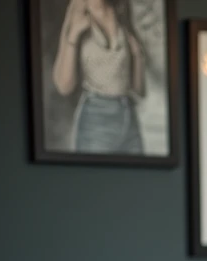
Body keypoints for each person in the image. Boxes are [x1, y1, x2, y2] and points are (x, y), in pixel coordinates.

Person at [51, 0, 146, 154]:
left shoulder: (120, 8)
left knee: (141, 177)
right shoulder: (78, 9)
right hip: (96, 118)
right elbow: (64, 85)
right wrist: (74, 35)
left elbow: (139, 90)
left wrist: (137, 55)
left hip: (128, 115)